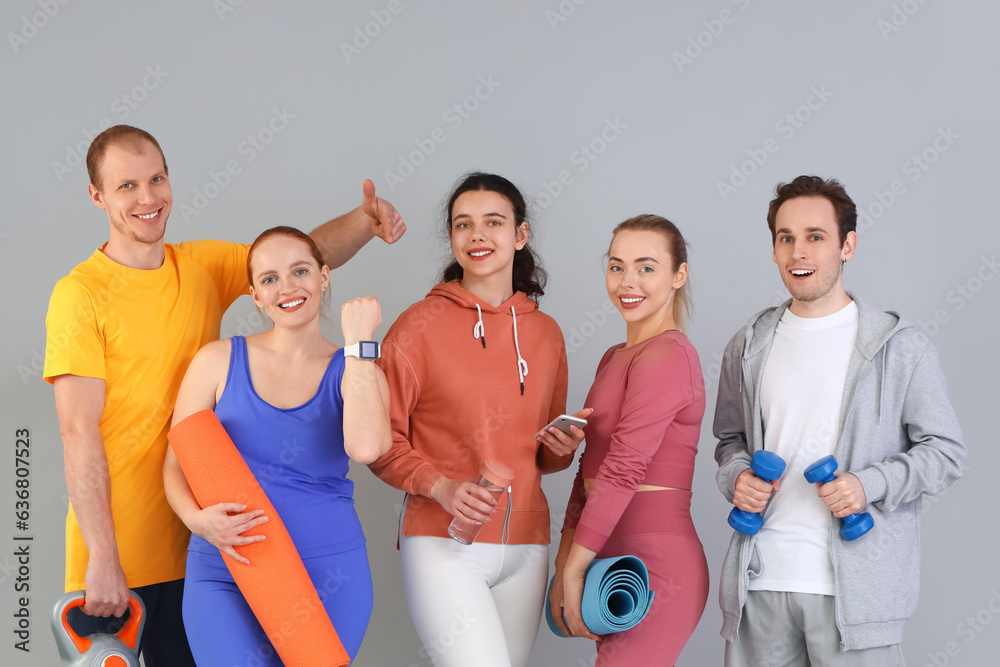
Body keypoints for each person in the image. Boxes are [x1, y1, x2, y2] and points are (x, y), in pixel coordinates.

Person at [42, 124, 404, 665]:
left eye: (157, 179)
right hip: (125, 553)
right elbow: (77, 431)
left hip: (211, 544)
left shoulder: (201, 265)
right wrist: (102, 555)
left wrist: (364, 221)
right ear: (97, 196)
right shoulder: (80, 295)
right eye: (126, 186)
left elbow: (291, 264)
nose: (147, 198)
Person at [714, 175, 966, 665]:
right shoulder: (748, 344)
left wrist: (867, 484)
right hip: (760, 581)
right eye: (785, 238)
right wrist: (736, 477)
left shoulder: (900, 347)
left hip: (857, 596)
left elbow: (946, 452)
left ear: (847, 245)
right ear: (773, 250)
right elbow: (730, 439)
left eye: (815, 236)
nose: (798, 253)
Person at [367, 173, 589, 667]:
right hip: (443, 541)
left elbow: (544, 457)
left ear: (520, 235)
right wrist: (440, 485)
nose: (478, 235)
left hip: (528, 544)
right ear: (452, 238)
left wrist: (562, 444)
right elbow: (378, 440)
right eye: (463, 225)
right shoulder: (417, 326)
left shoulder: (546, 333)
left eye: (493, 222)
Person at [162, 226, 390, 663]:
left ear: (324, 276)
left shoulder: (355, 368)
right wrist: (197, 521)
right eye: (269, 279)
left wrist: (359, 347)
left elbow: (368, 448)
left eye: (299, 271)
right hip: (228, 565)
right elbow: (175, 465)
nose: (287, 288)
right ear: (255, 295)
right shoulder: (216, 361)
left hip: (328, 571)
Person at [550, 215, 709, 665]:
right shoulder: (612, 357)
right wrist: (565, 565)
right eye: (616, 266)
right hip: (604, 554)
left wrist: (576, 567)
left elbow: (623, 468)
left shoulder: (671, 355)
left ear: (678, 275)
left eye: (646, 267)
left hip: (656, 559)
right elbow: (589, 472)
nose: (628, 281)